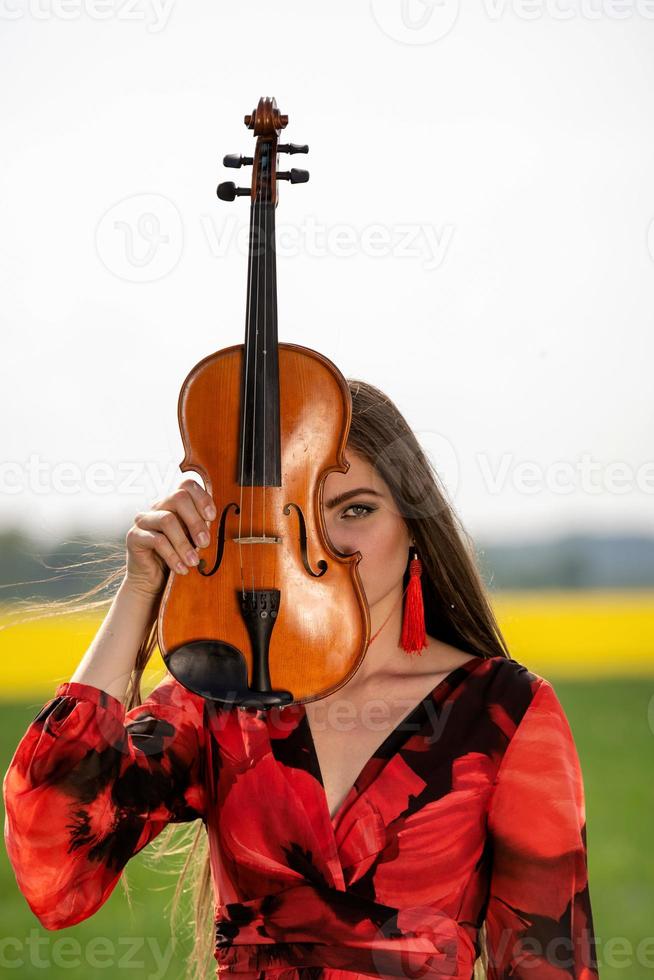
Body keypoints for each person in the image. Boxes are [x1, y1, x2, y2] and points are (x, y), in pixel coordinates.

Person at [3, 378, 600, 979]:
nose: (327, 544)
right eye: (300, 516)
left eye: (356, 510)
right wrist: (140, 591)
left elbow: (549, 963)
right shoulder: (224, 695)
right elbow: (54, 865)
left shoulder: (507, 711)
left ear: (414, 525)